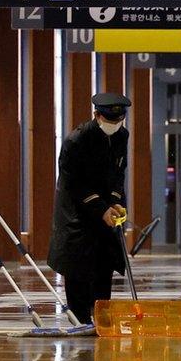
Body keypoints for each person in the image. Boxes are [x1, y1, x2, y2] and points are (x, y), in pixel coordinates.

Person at [48, 93, 131, 325]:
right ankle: (80, 320)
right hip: (77, 214)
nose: (115, 125)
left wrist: (115, 201)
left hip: (105, 213)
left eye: (119, 120)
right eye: (110, 120)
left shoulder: (122, 135)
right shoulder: (77, 140)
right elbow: (73, 183)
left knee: (104, 267)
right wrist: (101, 208)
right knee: (78, 271)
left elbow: (118, 173)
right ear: (97, 115)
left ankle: (102, 320)